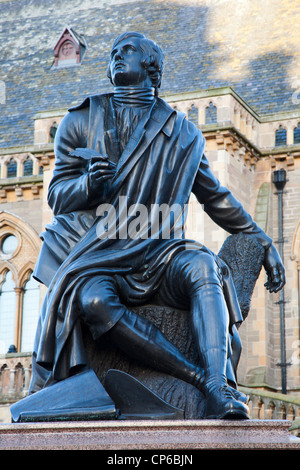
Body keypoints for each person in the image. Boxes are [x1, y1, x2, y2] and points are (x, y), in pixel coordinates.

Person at [30, 32, 285, 419]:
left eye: (127, 50)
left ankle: (220, 384)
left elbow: (214, 196)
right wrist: (88, 185)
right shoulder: (80, 120)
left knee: (203, 267)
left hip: (159, 250)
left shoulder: (184, 133)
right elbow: (57, 195)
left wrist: (259, 236)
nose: (116, 56)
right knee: (94, 301)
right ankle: (200, 379)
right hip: (99, 252)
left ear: (151, 65)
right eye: (113, 53)